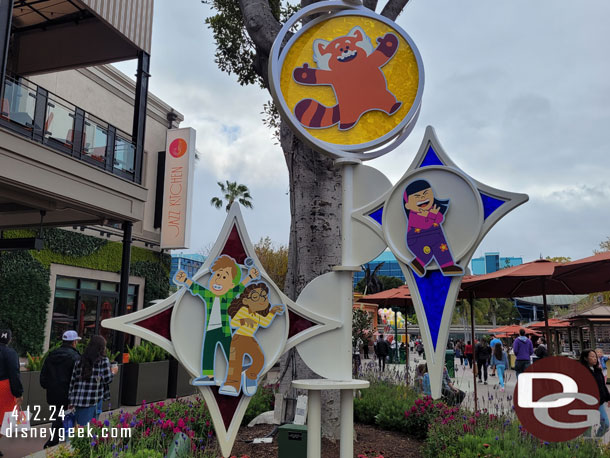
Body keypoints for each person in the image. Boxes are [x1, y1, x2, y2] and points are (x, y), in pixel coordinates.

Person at [175, 255, 259, 385]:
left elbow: (240, 287)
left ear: (231, 284)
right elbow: (197, 289)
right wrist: (185, 280)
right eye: (217, 276)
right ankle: (208, 375)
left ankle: (239, 367)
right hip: (210, 329)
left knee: (229, 350)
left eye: (224, 277)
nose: (218, 280)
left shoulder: (228, 295)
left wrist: (250, 277)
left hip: (224, 329)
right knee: (208, 351)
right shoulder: (208, 295)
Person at [221, 283, 284, 396]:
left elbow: (265, 322)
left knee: (259, 359)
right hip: (238, 339)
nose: (261, 300)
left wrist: (272, 312)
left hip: (250, 339)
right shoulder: (243, 311)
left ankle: (250, 376)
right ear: (246, 301)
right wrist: (244, 321)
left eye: (264, 297)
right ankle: (231, 384)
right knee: (235, 363)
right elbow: (234, 322)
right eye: (256, 297)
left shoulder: (257, 315)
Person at [403, 180, 464, 277]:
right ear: (408, 205)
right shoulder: (413, 216)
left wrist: (431, 214)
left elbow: (440, 218)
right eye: (417, 197)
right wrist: (431, 216)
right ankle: (417, 263)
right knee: (427, 253)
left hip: (435, 237)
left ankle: (446, 266)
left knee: (441, 248)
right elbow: (425, 225)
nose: (423, 198)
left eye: (426, 194)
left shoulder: (432, 210)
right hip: (416, 240)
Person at [40, 330, 81, 448]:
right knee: (65, 417)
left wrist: (48, 386)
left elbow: (43, 375)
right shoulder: (75, 356)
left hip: (53, 393)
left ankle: (56, 440)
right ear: (74, 342)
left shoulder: (52, 354)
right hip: (68, 393)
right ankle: (58, 442)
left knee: (58, 415)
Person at [68, 335, 117, 426]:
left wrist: (70, 400)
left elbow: (73, 381)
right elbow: (107, 379)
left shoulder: (79, 360)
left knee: (81, 427)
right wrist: (113, 372)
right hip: (94, 399)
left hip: (79, 399)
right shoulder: (103, 361)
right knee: (90, 428)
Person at [0, 329, 23, 456]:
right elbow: (15, 374)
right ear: (9, 339)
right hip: (4, 388)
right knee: (6, 420)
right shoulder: (10, 353)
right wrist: (18, 393)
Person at [579, 349, 610, 437]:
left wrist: (608, 398)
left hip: (599, 403)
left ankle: (595, 442)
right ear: (585, 358)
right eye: (592, 356)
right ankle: (588, 448)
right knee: (587, 429)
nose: (595, 358)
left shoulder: (598, 370)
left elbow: (602, 386)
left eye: (595, 356)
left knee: (606, 425)